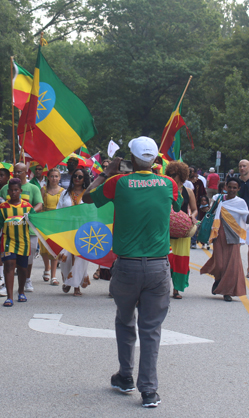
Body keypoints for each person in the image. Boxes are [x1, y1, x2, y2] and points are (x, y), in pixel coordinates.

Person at [82, 136, 182, 408]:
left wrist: (106, 172)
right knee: (151, 329)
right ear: (154, 159)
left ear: (133, 158)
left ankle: (125, 376)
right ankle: (149, 390)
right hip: (158, 267)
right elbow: (179, 206)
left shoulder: (118, 183)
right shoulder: (168, 184)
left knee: (125, 321)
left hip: (126, 265)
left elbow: (87, 196)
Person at [200, 178, 249, 301]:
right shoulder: (218, 199)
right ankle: (218, 280)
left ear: (238, 189)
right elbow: (211, 213)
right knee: (220, 264)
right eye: (230, 187)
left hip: (233, 236)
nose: (232, 190)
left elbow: (247, 220)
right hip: (218, 234)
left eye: (235, 188)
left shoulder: (241, 202)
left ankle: (227, 292)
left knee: (231, 267)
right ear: (225, 187)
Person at [0, 162, 43, 293]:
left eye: (19, 172)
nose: (16, 174)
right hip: (9, 232)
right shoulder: (7, 187)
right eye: (15, 172)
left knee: (28, 258)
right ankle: (8, 286)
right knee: (9, 261)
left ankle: (26, 280)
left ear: (26, 172)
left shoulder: (33, 188)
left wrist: (30, 213)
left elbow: (40, 203)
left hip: (28, 230)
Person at [0, 178, 34, 307]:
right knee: (9, 265)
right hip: (8, 241)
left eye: (16, 190)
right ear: (8, 191)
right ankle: (9, 297)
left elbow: (36, 223)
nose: (14, 192)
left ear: (20, 191)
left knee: (22, 268)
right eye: (11, 190)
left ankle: (21, 291)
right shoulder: (3, 207)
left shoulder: (27, 207)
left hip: (24, 242)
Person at [165, 161, 197, 299]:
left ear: (181, 175)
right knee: (166, 259)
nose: (171, 176)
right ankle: (163, 287)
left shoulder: (188, 191)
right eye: (169, 174)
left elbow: (195, 209)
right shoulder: (164, 188)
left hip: (182, 232)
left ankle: (177, 289)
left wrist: (192, 216)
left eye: (174, 175)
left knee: (180, 261)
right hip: (166, 231)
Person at [57, 168, 91, 296]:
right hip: (67, 229)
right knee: (66, 257)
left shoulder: (88, 194)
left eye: (80, 177)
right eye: (75, 176)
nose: (77, 178)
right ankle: (67, 280)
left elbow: (92, 211)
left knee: (80, 257)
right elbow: (58, 210)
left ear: (84, 180)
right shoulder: (64, 194)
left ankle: (76, 285)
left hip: (83, 229)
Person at [39, 168, 64, 285]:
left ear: (59, 178)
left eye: (56, 176)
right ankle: (46, 268)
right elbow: (39, 205)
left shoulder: (63, 191)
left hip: (57, 223)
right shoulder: (43, 190)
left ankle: (54, 276)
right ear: (48, 177)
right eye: (52, 176)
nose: (54, 178)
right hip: (45, 222)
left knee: (54, 249)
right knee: (44, 249)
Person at [189, 166, 206, 249]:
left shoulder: (199, 182)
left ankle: (193, 241)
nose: (190, 173)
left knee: (194, 222)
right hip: (185, 205)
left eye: (191, 171)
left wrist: (204, 204)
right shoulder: (184, 181)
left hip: (195, 206)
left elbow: (203, 194)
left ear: (195, 173)